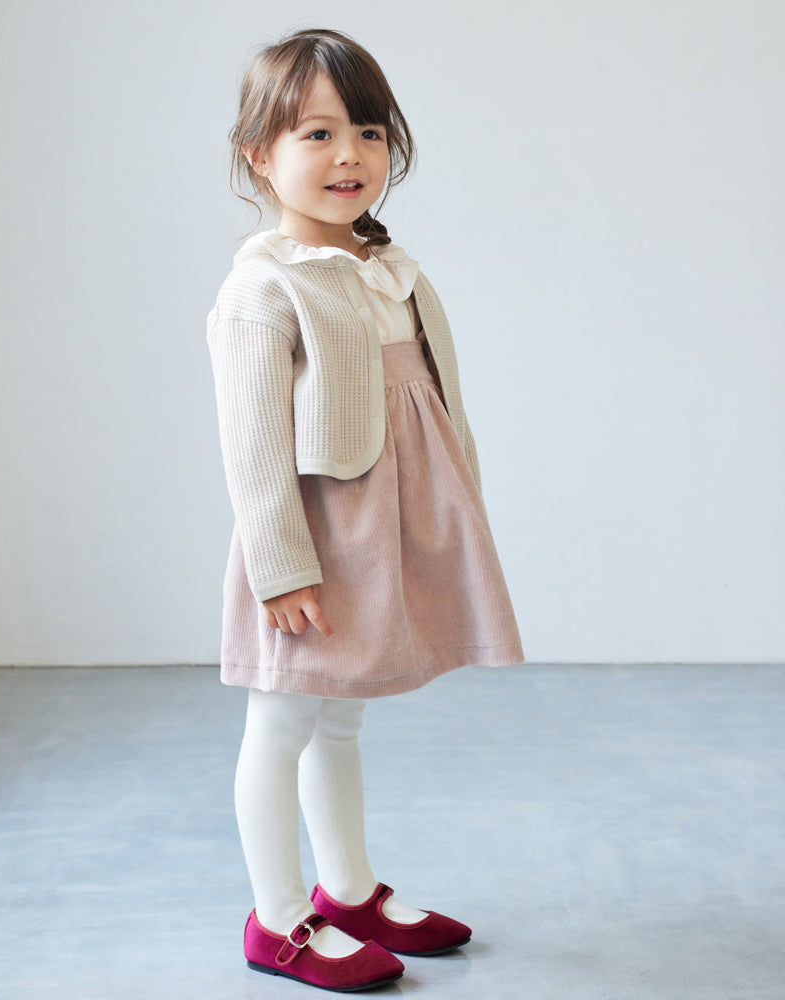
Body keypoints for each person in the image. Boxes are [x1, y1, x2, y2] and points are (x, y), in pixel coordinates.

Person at [207, 27, 524, 992]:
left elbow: (434, 404)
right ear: (259, 156)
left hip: (381, 535)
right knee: (282, 722)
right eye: (317, 134)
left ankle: (346, 891)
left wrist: (459, 508)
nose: (350, 155)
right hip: (314, 542)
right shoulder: (265, 288)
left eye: (370, 132)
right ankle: (277, 919)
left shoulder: (389, 272)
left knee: (339, 723)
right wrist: (281, 568)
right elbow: (253, 448)